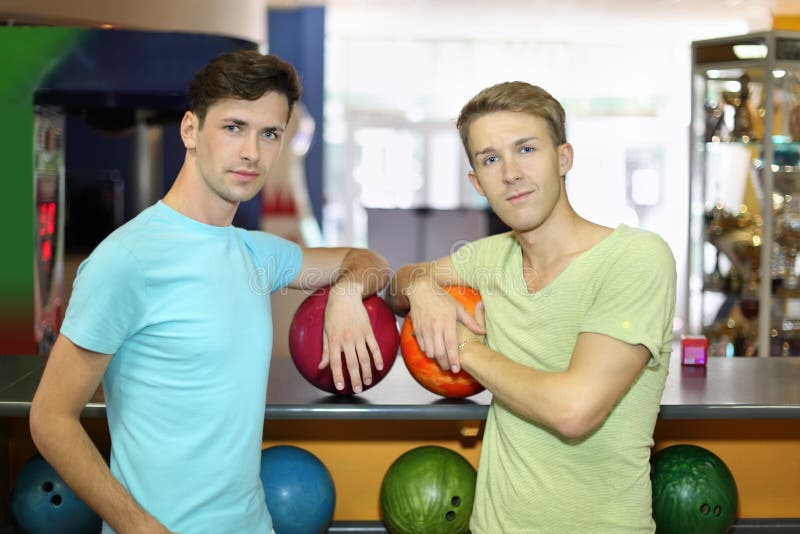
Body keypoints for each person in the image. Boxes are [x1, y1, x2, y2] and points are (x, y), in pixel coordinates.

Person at [29, 49, 390, 533]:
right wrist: (137, 525)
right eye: (234, 127)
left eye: (269, 134)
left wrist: (346, 293)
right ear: (190, 130)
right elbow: (51, 418)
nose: (252, 152)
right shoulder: (127, 259)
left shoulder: (256, 254)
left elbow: (368, 262)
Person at [386, 81, 676, 532]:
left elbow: (574, 410)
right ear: (476, 182)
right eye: (490, 159)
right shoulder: (490, 258)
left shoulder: (636, 257)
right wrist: (422, 288)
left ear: (563, 158)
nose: (511, 173)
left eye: (526, 149)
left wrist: (464, 346)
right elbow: (397, 282)